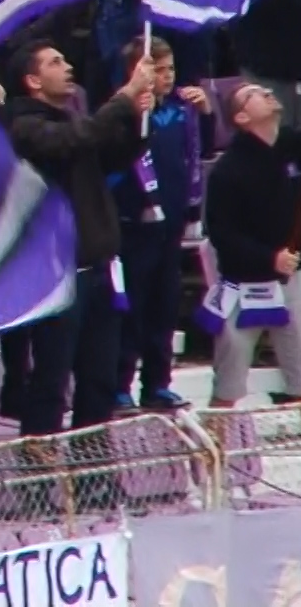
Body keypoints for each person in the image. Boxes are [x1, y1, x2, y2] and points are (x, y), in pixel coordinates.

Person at [0, 40, 152, 435]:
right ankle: (37, 466)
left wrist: (138, 121)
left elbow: (110, 156)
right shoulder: (23, 126)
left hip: (99, 267)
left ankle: (93, 466)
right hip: (57, 275)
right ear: (33, 80)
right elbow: (74, 140)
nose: (67, 66)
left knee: (100, 378)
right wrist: (124, 98)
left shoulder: (70, 120)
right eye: (55, 62)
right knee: (52, 379)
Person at [110, 37, 206, 411]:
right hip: (136, 223)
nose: (167, 77)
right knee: (133, 308)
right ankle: (120, 383)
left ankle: (157, 383)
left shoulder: (181, 111)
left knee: (165, 306)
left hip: (172, 223)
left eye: (171, 69)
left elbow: (193, 157)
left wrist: (206, 112)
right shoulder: (120, 111)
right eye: (158, 70)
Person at [202, 84, 301, 407]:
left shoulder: (289, 146)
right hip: (243, 283)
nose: (268, 92)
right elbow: (222, 234)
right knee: (229, 384)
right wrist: (269, 258)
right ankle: (217, 436)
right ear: (242, 117)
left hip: (290, 279)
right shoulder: (228, 170)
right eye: (255, 93)